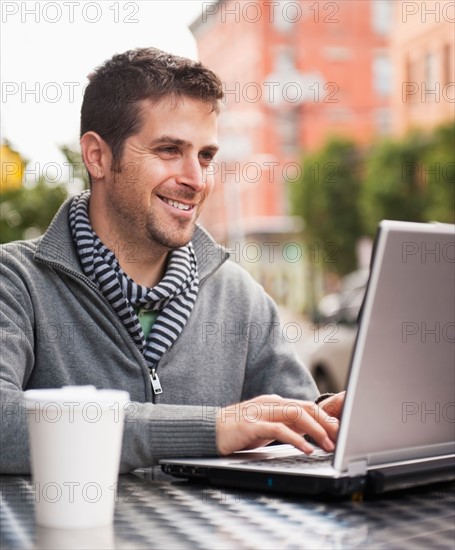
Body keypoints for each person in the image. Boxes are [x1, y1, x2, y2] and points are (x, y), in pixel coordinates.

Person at [0, 47, 344, 474]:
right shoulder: (15, 283)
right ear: (97, 156)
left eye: (205, 156)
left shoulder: (237, 294)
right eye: (168, 150)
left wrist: (329, 418)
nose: (196, 180)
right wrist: (210, 429)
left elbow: (294, 426)